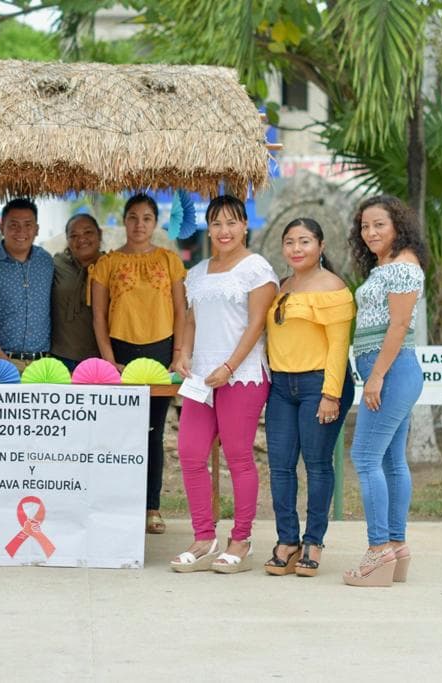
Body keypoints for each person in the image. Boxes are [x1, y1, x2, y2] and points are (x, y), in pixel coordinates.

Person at [170, 195, 277, 574]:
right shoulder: (197, 272)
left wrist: (230, 366)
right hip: (201, 377)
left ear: (245, 225)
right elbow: (192, 320)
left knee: (238, 456)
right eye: (216, 223)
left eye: (232, 222)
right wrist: (182, 353)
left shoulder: (256, 269)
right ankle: (204, 537)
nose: (224, 231)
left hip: (242, 374)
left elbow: (257, 324)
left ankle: (241, 539)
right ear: (208, 228)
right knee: (190, 452)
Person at [343, 195, 427, 587]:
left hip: (392, 372)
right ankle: (397, 547)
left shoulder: (403, 268)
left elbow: (398, 327)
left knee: (363, 456)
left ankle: (378, 553)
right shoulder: (387, 267)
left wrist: (375, 377)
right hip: (391, 371)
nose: (370, 232)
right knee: (392, 460)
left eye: (379, 224)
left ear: (397, 225)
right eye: (364, 226)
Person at [263, 218, 354, 577]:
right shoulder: (282, 286)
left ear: (321, 246)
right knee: (281, 466)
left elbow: (338, 347)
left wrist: (331, 394)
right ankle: (287, 541)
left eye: (304, 241)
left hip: (321, 384)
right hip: (282, 386)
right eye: (290, 242)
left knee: (317, 464)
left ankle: (313, 540)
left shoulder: (334, 287)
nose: (296, 249)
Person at [90, 194, 186, 535]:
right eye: (133, 217)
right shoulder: (107, 264)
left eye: (147, 218)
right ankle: (116, 506)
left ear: (155, 222)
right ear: (124, 221)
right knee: (117, 433)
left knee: (153, 432)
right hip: (120, 351)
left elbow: (181, 311)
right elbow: (99, 316)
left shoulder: (170, 261)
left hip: (161, 352)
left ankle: (151, 507)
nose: (139, 224)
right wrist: (107, 358)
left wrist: (178, 353)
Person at [0, 197, 54, 372]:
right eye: (13, 225)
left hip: (42, 365)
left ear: (36, 229)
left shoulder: (46, 261)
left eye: (28, 225)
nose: (21, 231)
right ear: (2, 228)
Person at [50, 213, 103, 372]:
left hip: (100, 360)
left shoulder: (111, 266)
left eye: (88, 232)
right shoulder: (56, 264)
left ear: (99, 234)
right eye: (74, 235)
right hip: (60, 357)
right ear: (67, 240)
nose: (81, 239)